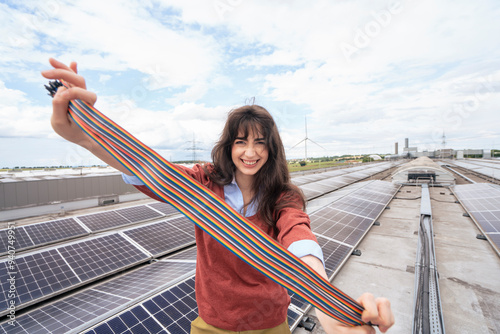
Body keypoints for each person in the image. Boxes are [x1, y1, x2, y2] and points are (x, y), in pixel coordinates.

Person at [42, 58, 394, 334]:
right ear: (229, 145)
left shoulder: (284, 196)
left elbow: (299, 238)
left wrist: (325, 302)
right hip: (212, 324)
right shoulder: (203, 182)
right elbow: (153, 172)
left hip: (268, 324)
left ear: (272, 149)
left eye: (260, 142)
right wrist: (87, 136)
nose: (250, 152)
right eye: (241, 141)